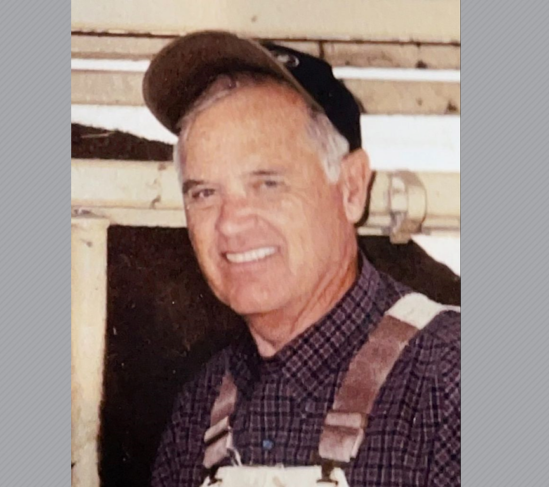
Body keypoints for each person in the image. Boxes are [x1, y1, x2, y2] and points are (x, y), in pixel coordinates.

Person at [143, 31, 461, 487]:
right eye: (205, 193)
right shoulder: (200, 407)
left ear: (351, 188)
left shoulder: (451, 381)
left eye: (267, 184)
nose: (230, 223)